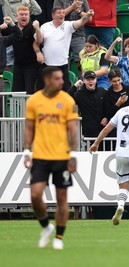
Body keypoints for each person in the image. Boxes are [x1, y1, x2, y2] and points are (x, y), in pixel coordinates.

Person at [23, 66, 79, 250]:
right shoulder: (34, 101)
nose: (62, 82)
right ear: (47, 80)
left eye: (62, 78)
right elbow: (29, 128)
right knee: (35, 194)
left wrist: (73, 155)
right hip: (39, 156)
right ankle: (46, 226)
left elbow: (73, 130)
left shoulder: (67, 100)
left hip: (61, 157)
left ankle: (59, 238)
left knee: (62, 198)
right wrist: (26, 151)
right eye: (58, 78)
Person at [89, 87, 129, 226]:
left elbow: (107, 128)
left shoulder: (122, 110)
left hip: (121, 154)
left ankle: (120, 205)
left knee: (123, 186)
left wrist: (96, 143)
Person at [35, 7, 95, 91]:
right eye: (59, 13)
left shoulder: (68, 25)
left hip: (62, 66)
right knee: (42, 92)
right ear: (53, 15)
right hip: (47, 65)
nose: (62, 14)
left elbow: (82, 21)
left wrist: (88, 15)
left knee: (66, 92)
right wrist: (37, 29)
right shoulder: (45, 26)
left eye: (63, 13)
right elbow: (38, 41)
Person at [7, 6, 38, 94]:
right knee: (16, 93)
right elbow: (4, 37)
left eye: (26, 15)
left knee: (29, 92)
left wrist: (38, 29)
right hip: (17, 65)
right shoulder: (13, 27)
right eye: (21, 14)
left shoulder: (33, 27)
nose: (24, 16)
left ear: (29, 16)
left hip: (31, 65)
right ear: (17, 16)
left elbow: (39, 40)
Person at [53, 0, 90, 73]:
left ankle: (83, 79)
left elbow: (89, 18)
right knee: (58, 59)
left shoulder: (83, 1)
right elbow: (56, 16)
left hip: (78, 34)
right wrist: (72, 7)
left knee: (81, 60)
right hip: (61, 34)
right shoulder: (58, 1)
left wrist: (79, 11)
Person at [68, 71, 107, 138]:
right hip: (89, 131)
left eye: (92, 79)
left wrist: (107, 117)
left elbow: (108, 106)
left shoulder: (102, 91)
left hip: (103, 129)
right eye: (88, 79)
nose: (90, 81)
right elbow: (67, 98)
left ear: (96, 80)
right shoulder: (79, 94)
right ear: (84, 81)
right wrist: (75, 86)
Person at [0, 16, 22, 97]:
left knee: (1, 105)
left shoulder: (2, 40)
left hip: (0, 78)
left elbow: (19, 35)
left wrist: (12, 24)